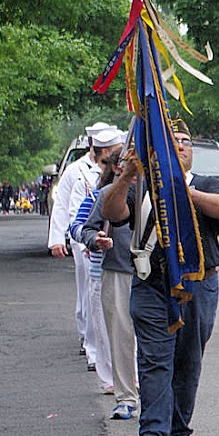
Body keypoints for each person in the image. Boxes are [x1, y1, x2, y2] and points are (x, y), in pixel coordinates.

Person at [100, 120, 219, 436]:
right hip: (151, 283)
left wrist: (183, 191)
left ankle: (179, 431)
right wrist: (127, 177)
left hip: (198, 283)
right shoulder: (140, 185)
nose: (180, 145)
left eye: (186, 141)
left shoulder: (206, 183)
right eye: (171, 140)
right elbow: (112, 213)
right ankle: (153, 434)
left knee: (189, 358)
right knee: (154, 358)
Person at [49, 124, 119, 361]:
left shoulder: (118, 171)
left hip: (110, 240)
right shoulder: (75, 170)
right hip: (83, 238)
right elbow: (62, 206)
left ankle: (105, 345)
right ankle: (90, 345)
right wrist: (58, 239)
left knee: (104, 295)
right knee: (89, 293)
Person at [79, 158, 140, 420]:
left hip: (154, 273)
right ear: (118, 168)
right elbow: (87, 229)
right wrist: (96, 240)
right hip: (118, 271)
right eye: (129, 162)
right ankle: (126, 397)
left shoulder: (160, 190)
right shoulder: (107, 194)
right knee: (121, 336)